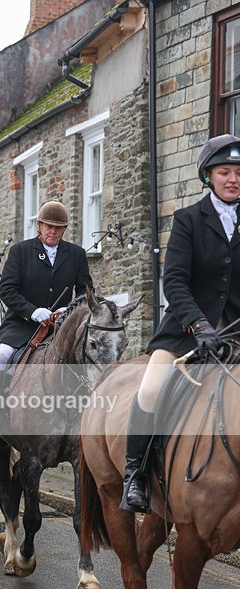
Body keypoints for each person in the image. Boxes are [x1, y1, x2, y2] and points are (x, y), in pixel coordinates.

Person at [120, 134, 240, 513]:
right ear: (208, 176)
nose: (233, 179)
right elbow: (174, 280)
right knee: (151, 390)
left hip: (235, 332)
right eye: (225, 172)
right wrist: (200, 325)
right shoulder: (188, 219)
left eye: (239, 172)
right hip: (187, 331)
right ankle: (135, 474)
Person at [0, 201, 93, 435]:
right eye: (48, 226)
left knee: (86, 358)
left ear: (64, 229)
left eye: (58, 228)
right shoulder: (21, 251)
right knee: (3, 356)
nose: (53, 232)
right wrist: (33, 311)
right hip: (22, 324)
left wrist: (68, 310)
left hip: (61, 327)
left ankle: (86, 414)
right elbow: (8, 290)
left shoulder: (76, 254)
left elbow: (85, 292)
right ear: (39, 226)